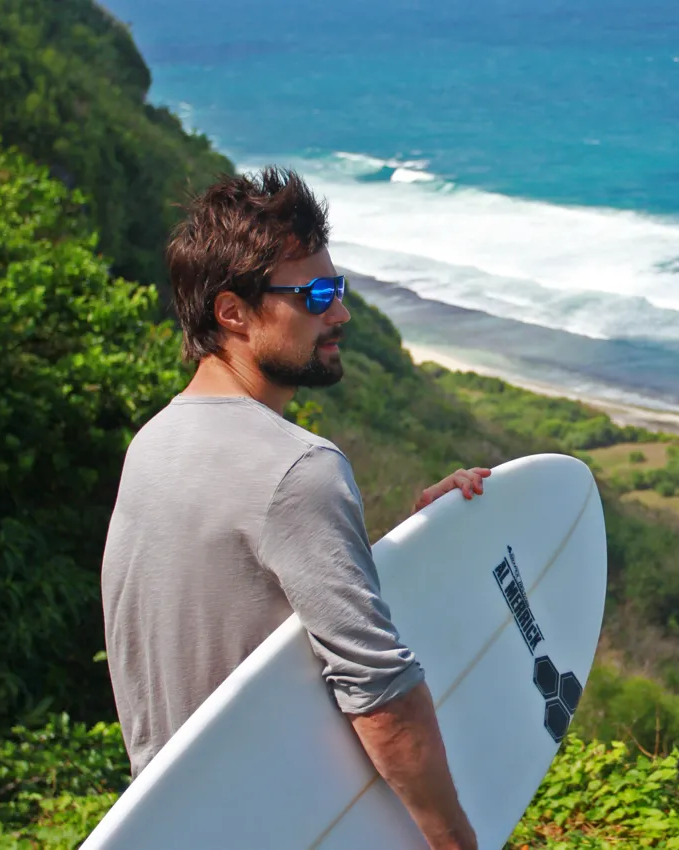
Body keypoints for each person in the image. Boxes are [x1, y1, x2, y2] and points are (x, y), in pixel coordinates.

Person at [101, 167, 481, 850]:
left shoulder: (155, 443)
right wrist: (455, 840)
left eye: (337, 288)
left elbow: (241, 622)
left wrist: (417, 546)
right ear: (233, 312)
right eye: (315, 294)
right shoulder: (298, 471)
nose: (340, 313)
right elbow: (382, 698)